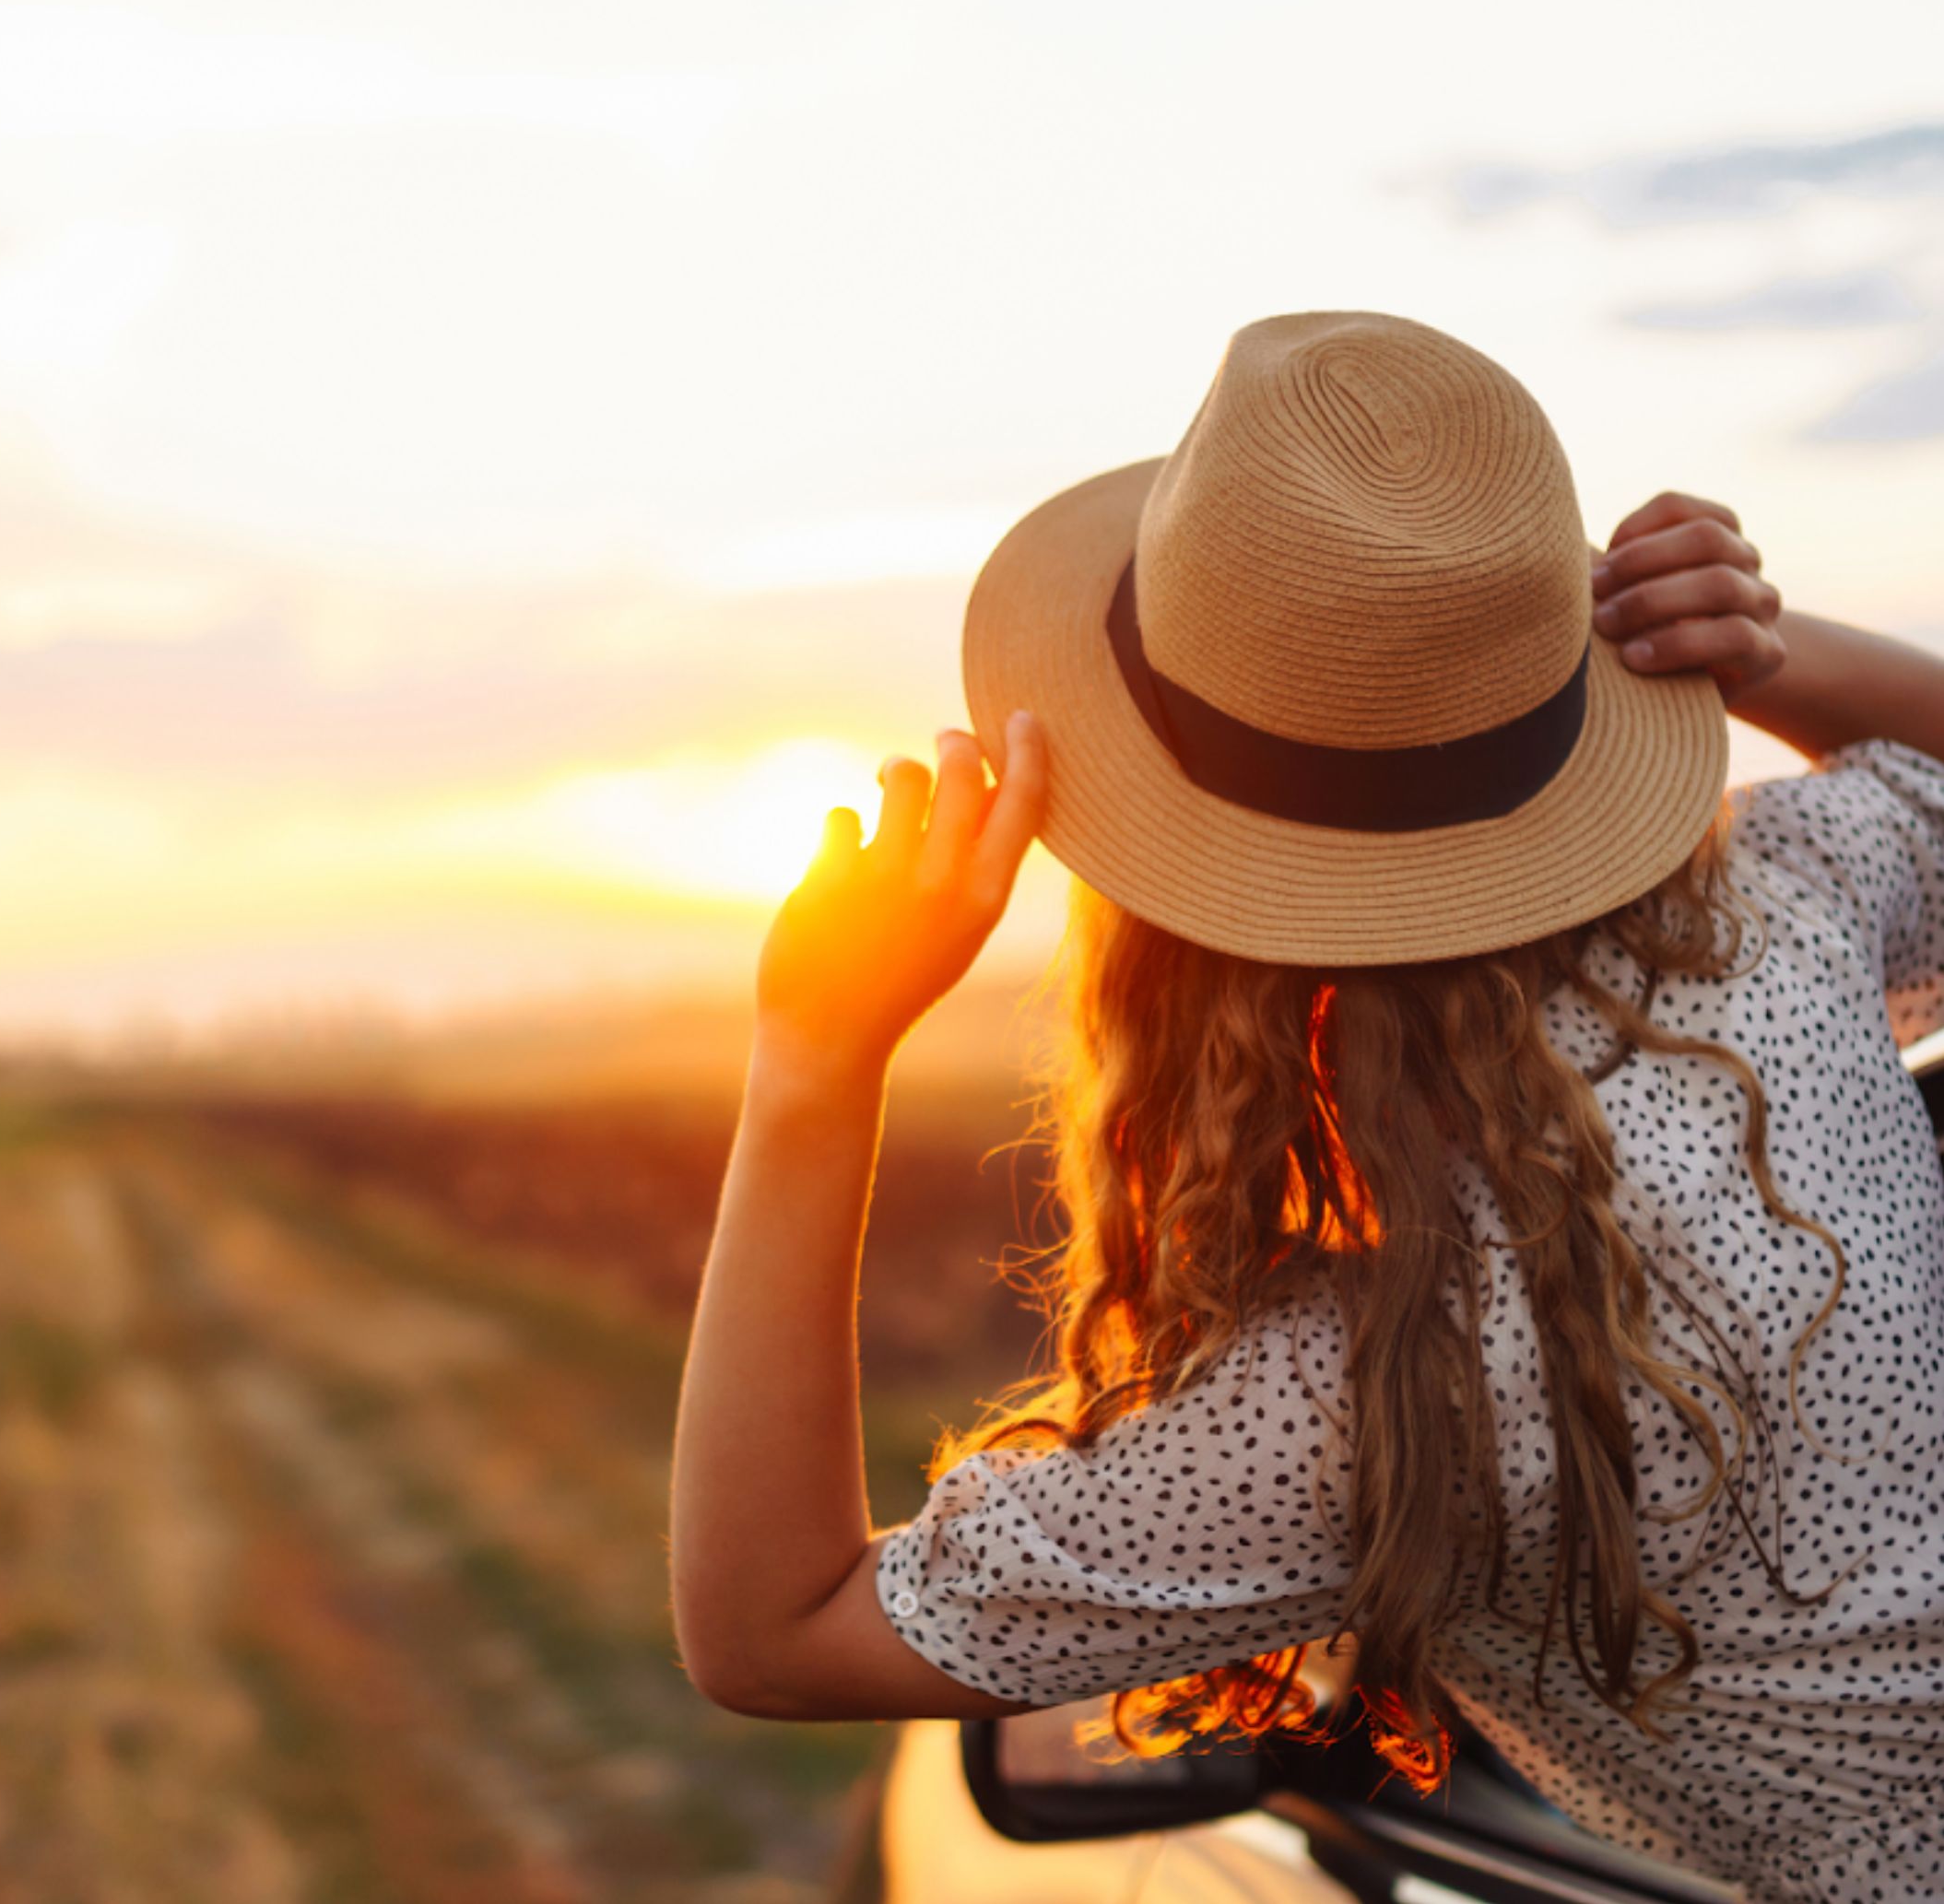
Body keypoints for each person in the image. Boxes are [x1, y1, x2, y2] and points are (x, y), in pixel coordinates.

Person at [668, 311, 1944, 1904]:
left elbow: (773, 1635)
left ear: (1167, 891)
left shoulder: (1373, 1396)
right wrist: (1772, 650)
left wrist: (813, 1063)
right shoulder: (1777, 912)